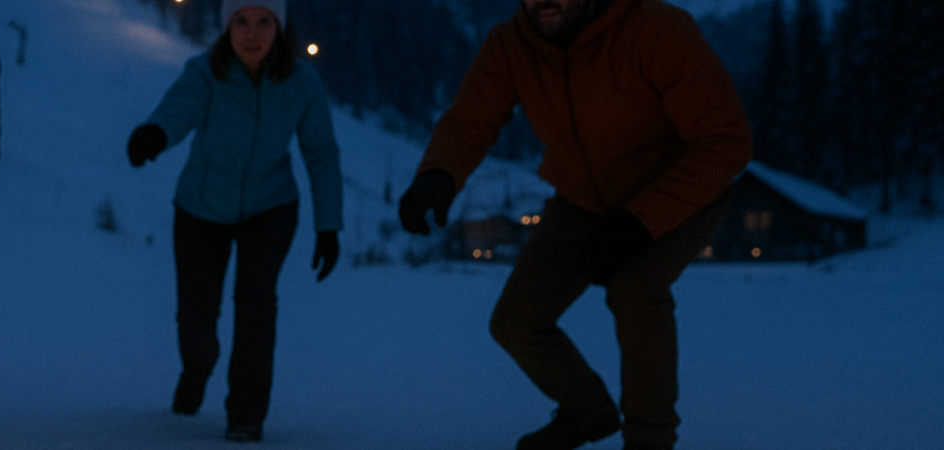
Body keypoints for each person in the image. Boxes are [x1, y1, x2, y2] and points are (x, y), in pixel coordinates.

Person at [397, 0, 751, 449]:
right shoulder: (512, 46)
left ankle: (650, 438)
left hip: (678, 191)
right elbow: (471, 120)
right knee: (516, 322)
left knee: (635, 287)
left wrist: (640, 222)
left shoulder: (657, 30)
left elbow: (725, 141)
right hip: (583, 200)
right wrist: (438, 174)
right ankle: (588, 414)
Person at [127, 0, 342, 442]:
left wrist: (329, 225)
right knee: (197, 316)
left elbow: (320, 153)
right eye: (241, 21)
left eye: (264, 22)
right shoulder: (205, 72)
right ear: (227, 27)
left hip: (270, 206)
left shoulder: (302, 81)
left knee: (256, 307)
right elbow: (180, 108)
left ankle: (246, 415)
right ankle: (197, 370)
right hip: (200, 209)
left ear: (279, 28)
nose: (252, 33)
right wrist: (156, 133)